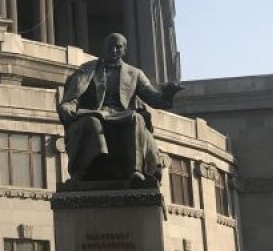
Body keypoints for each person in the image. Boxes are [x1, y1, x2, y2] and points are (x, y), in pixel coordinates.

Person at [58, 33, 182, 184]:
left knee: (136, 118)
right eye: (111, 46)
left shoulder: (135, 73)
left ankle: (134, 171)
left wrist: (167, 95)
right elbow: (73, 97)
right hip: (95, 112)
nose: (114, 50)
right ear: (104, 48)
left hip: (122, 113)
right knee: (91, 122)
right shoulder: (87, 69)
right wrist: (66, 107)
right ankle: (90, 169)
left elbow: (153, 98)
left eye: (118, 47)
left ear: (125, 50)